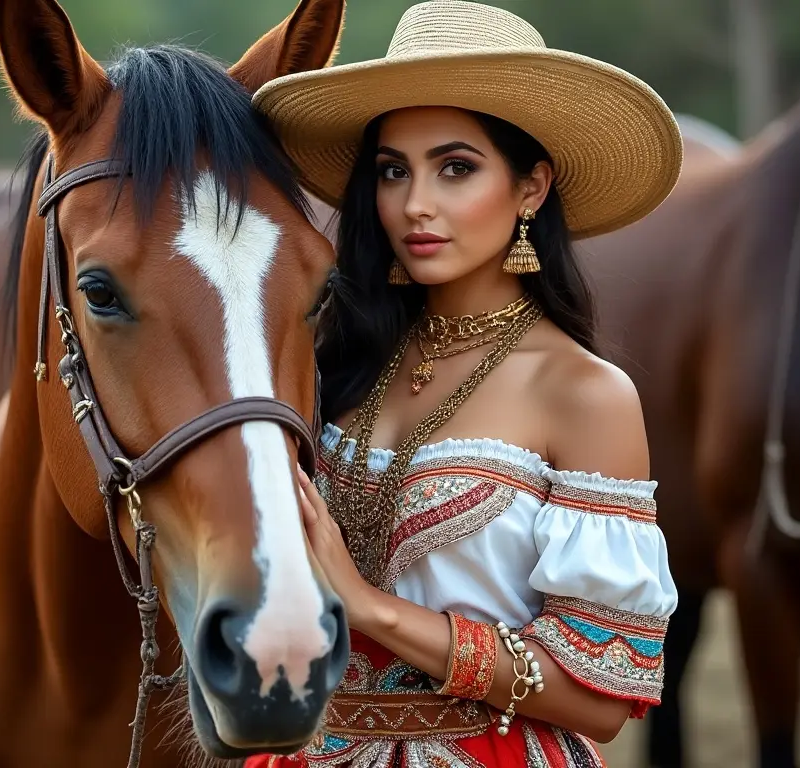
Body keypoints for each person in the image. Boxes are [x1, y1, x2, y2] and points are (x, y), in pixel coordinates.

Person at [249, 1, 681, 765]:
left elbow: (598, 697)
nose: (415, 204)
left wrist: (373, 609)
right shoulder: (333, 357)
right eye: (392, 171)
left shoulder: (587, 394)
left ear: (531, 188)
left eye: (456, 168)